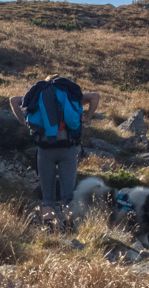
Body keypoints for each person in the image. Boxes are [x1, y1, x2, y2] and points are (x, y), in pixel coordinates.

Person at [9, 78, 99, 224]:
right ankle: (68, 224)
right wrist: (87, 117)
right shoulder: (69, 96)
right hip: (67, 148)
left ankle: (49, 226)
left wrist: (22, 121)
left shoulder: (38, 95)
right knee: (68, 194)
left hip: (45, 149)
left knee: (47, 197)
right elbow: (95, 96)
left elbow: (13, 100)